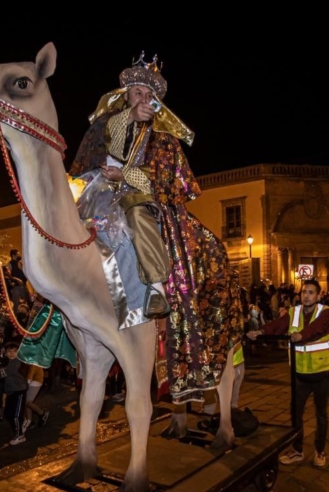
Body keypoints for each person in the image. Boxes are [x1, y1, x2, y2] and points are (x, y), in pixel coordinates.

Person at [69, 52, 243, 402]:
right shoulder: (106, 126)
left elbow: (163, 182)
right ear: (125, 96)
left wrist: (127, 176)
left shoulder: (164, 140)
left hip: (143, 200)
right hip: (99, 197)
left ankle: (156, 285)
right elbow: (96, 156)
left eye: (149, 96)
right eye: (137, 93)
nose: (143, 100)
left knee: (136, 212)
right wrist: (127, 123)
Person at [247, 279, 329, 467]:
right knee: (296, 413)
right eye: (304, 292)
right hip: (300, 373)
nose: (307, 295)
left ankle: (320, 451)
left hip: (322, 373)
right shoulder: (293, 312)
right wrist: (260, 331)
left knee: (321, 414)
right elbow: (278, 325)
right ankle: (297, 450)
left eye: (311, 292)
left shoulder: (326, 312)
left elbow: (317, 329)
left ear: (318, 296)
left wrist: (301, 335)